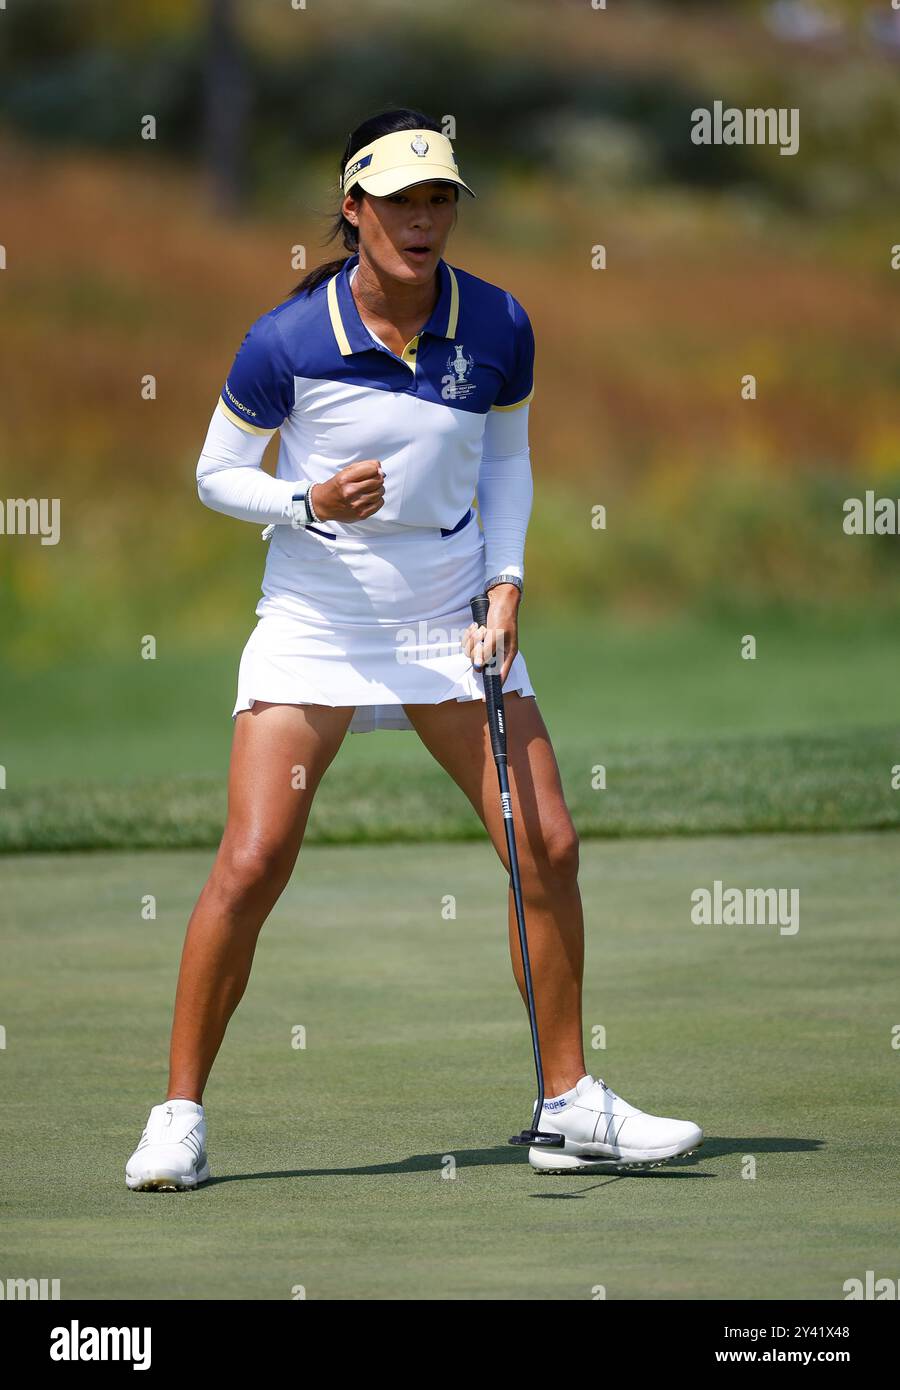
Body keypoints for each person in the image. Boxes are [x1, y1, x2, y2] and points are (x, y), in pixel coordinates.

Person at [125, 108, 702, 1190]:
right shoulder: (286, 340)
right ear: (354, 211)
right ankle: (178, 1117)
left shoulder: (497, 324)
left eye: (440, 200)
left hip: (453, 625)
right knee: (251, 862)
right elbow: (214, 473)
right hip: (317, 627)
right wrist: (307, 496)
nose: (424, 220)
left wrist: (508, 579)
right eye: (400, 202)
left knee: (550, 847)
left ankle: (568, 1104)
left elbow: (507, 467)